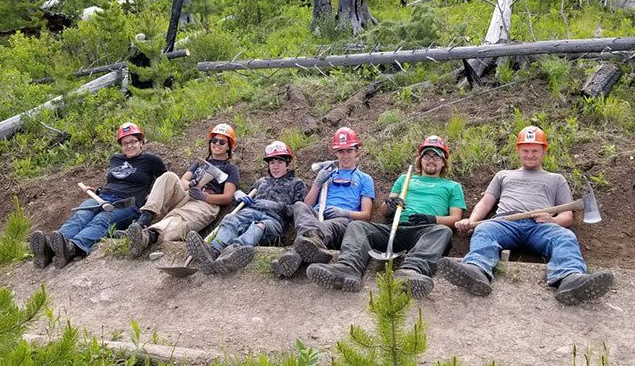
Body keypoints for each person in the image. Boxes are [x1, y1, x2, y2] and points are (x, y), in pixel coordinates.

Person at [439, 125, 614, 305]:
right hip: (505, 222)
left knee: (566, 236)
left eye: (534, 151)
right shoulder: (503, 175)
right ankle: (476, 270)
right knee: (484, 230)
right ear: (519, 151)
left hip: (540, 225)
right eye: (526, 150)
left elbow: (567, 215)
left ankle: (571, 279)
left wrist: (552, 220)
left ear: (544, 151)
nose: (530, 155)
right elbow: (485, 202)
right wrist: (473, 221)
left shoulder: (556, 179)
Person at [306, 136, 466, 298]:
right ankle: (348, 268)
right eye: (427, 155)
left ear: (443, 161)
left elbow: (455, 218)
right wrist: (389, 204)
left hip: (425, 232)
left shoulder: (452, 187)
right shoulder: (405, 179)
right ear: (420, 159)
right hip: (394, 227)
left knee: (443, 231)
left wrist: (432, 220)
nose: (431, 160)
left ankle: (410, 271)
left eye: (436, 156)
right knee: (357, 226)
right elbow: (383, 211)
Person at [29, 122, 166, 269]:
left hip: (128, 204)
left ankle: (72, 248)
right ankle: (49, 248)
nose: (129, 146)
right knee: (81, 215)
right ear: (120, 145)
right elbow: (115, 181)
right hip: (102, 197)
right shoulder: (116, 159)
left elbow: (166, 180)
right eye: (125, 143)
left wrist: (151, 195)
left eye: (133, 141)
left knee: (102, 220)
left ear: (141, 142)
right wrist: (98, 190)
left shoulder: (151, 160)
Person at [185, 141, 308, 274]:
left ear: (288, 164)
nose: (275, 167)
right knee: (231, 219)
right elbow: (245, 199)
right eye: (272, 163)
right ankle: (213, 250)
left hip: (273, 222)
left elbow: (297, 210)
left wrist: (276, 206)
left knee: (259, 226)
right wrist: (239, 196)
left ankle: (233, 253)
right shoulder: (261, 182)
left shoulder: (297, 184)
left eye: (279, 162)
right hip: (251, 212)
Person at [272, 127, 375, 278]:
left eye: (349, 151)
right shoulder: (327, 174)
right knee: (299, 206)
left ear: (356, 151)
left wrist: (343, 212)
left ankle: (294, 252)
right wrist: (317, 183)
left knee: (326, 226)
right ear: (335, 153)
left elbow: (366, 214)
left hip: (343, 221)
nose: (345, 155)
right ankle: (311, 246)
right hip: (317, 215)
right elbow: (306, 205)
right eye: (341, 151)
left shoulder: (365, 179)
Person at [125, 123, 240, 257]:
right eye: (214, 140)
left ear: (228, 147)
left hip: (206, 204)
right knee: (168, 176)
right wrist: (192, 184)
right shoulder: (199, 163)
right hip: (186, 195)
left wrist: (204, 196)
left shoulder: (230, 169)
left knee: (181, 217)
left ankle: (148, 237)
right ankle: (142, 221)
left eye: (222, 142)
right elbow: (182, 181)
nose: (217, 144)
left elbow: (228, 197)